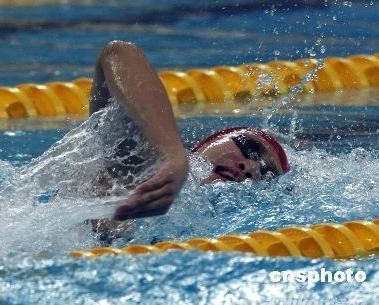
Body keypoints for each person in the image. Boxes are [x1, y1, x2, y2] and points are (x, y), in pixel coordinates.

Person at [88, 40, 290, 226]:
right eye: (249, 148)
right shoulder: (143, 167)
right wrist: (173, 156)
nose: (252, 166)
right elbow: (118, 54)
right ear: (208, 143)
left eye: (266, 173)